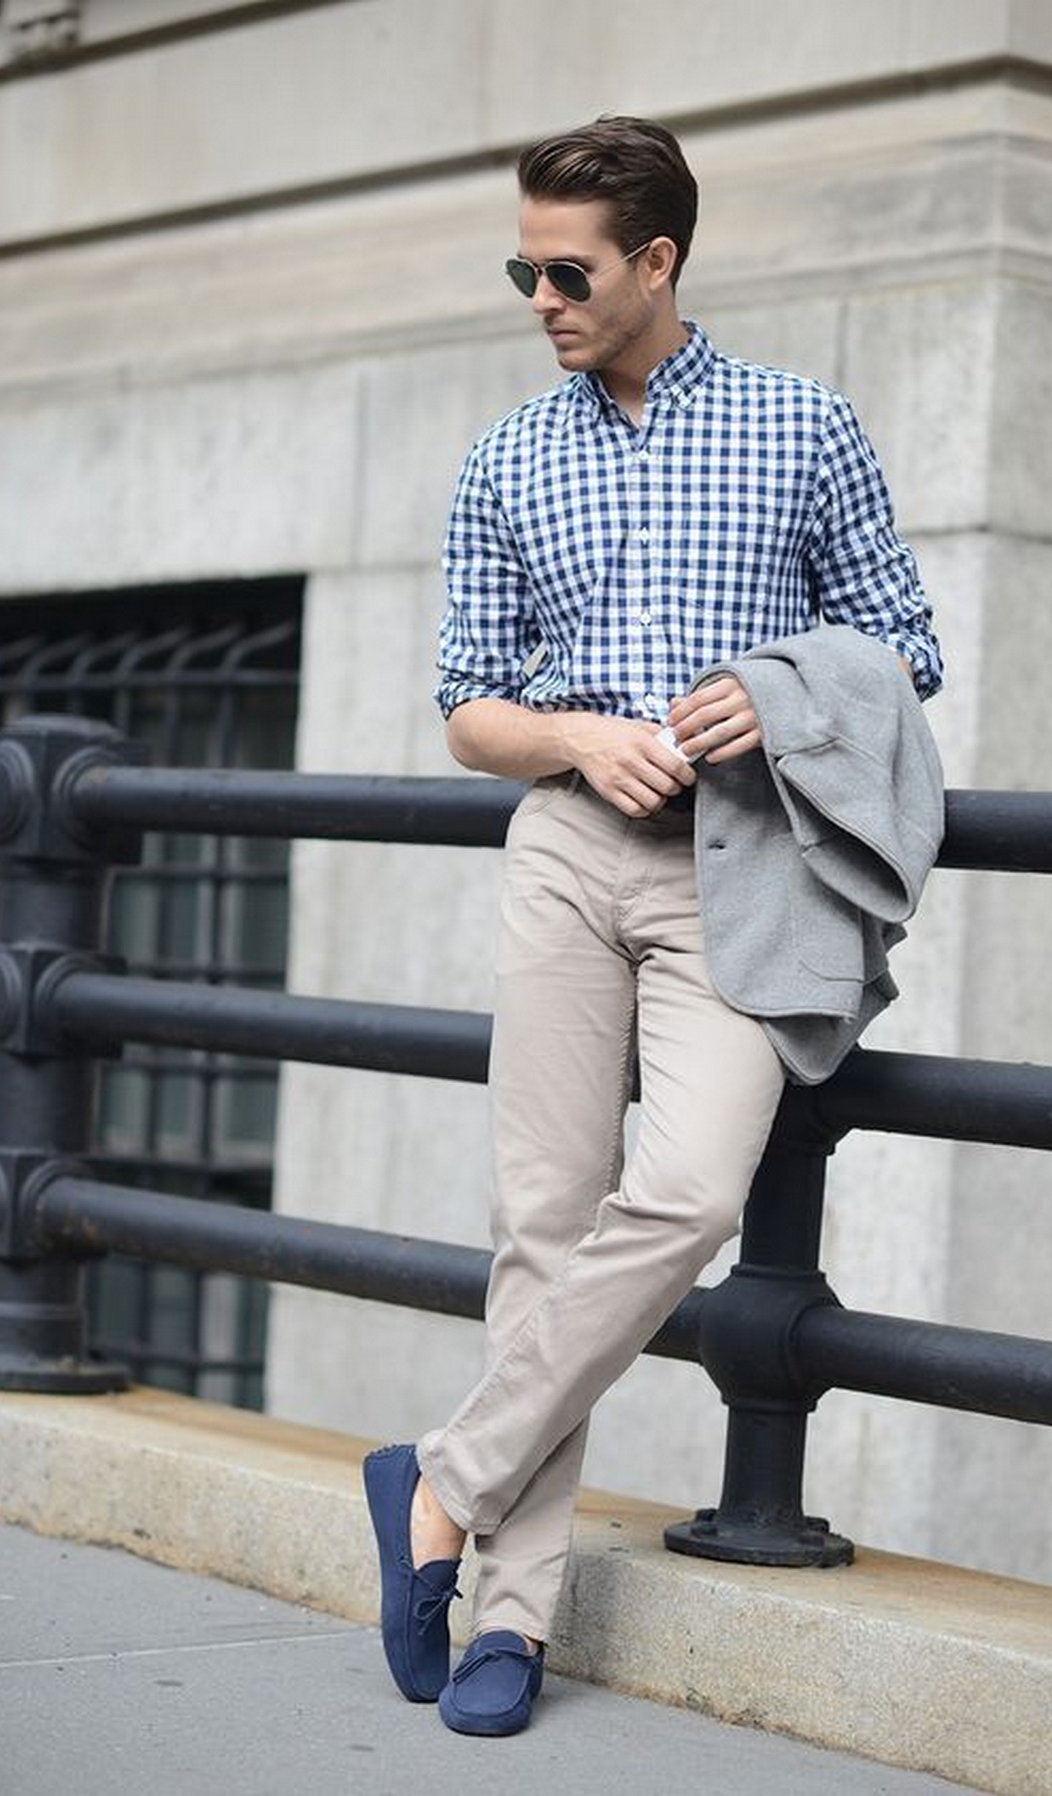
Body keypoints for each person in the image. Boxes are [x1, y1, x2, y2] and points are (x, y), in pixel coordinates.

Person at [363, 114, 943, 1738]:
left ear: (660, 262)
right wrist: (572, 738)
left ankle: (440, 1486)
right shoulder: (507, 456)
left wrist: (771, 698)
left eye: (569, 271)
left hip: (737, 874)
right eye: (522, 269)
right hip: (563, 855)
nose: (540, 297)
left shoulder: (799, 429)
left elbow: (905, 649)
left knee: (685, 1194)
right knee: (541, 1229)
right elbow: (468, 704)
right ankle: (508, 1622)